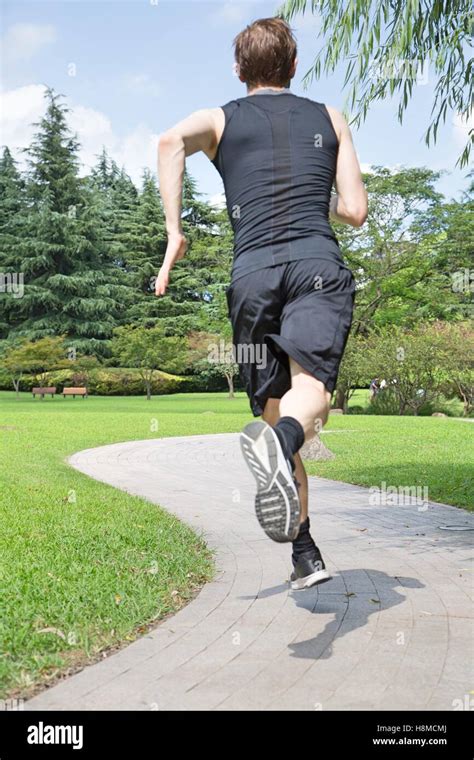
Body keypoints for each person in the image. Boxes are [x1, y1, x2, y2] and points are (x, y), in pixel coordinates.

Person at [156, 17, 367, 590]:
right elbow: (355, 210)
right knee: (311, 393)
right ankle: (284, 459)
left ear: (238, 70)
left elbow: (168, 141)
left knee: (276, 410)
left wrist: (175, 233)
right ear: (294, 68)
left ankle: (304, 553)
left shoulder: (220, 118)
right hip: (317, 269)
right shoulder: (331, 117)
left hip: (251, 277)